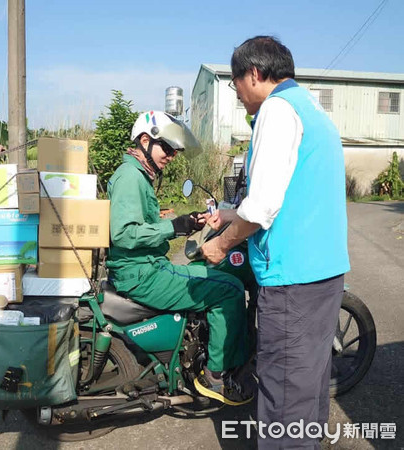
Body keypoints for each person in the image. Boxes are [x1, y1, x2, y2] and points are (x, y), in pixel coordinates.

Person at [201, 36, 350, 448]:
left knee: (283, 399)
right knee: (308, 388)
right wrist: (232, 213)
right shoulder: (310, 107)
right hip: (323, 272)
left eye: (236, 86)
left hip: (292, 279)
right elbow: (289, 192)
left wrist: (219, 243)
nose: (238, 96)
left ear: (253, 73)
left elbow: (263, 206)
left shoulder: (276, 110)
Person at [106, 110, 252, 405]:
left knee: (213, 276)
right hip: (142, 274)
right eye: (167, 148)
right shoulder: (130, 178)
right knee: (229, 291)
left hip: (147, 267)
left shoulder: (139, 177)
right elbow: (123, 234)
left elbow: (141, 224)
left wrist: (184, 222)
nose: (171, 156)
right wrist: (174, 227)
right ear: (145, 141)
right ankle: (215, 376)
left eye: (174, 151)